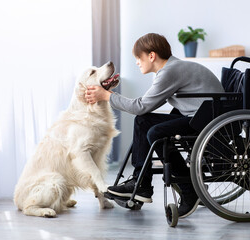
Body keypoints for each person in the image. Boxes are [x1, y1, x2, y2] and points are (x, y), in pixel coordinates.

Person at [85, 33, 224, 218]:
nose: (137, 63)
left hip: (207, 121)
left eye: (138, 58)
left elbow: (140, 106)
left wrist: (107, 96)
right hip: (201, 116)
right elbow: (144, 109)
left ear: (151, 56)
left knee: (155, 132)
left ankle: (189, 189)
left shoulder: (170, 71)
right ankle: (140, 183)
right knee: (144, 121)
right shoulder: (172, 69)